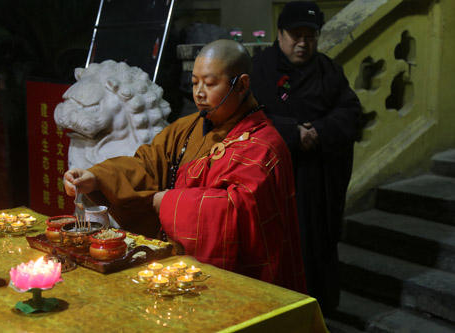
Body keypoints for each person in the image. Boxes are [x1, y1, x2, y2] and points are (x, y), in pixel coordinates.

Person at [64, 39, 307, 292]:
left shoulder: (264, 146)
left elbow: (241, 210)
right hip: (177, 264)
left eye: (210, 83)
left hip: (238, 277)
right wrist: (96, 176)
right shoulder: (187, 128)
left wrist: (168, 202)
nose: (199, 92)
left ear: (242, 84)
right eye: (194, 82)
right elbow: (147, 164)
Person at [251, 1, 363, 312]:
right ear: (280, 33)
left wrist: (319, 131)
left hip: (319, 182)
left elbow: (352, 112)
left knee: (317, 247)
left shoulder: (329, 70)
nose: (303, 43)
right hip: (277, 181)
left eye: (311, 36)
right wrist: (292, 133)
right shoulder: (259, 70)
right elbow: (247, 118)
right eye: (296, 35)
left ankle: (320, 313)